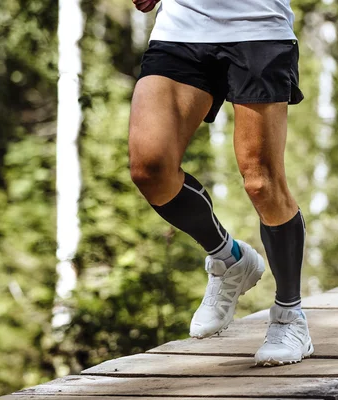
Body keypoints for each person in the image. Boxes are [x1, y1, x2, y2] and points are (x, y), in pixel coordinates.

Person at [128, 0, 314, 366]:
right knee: (151, 169)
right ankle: (229, 258)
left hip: (258, 28)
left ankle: (290, 315)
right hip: (181, 30)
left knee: (262, 182)